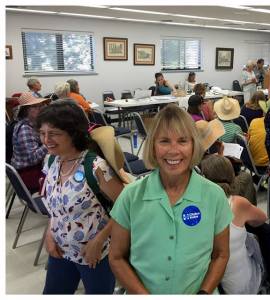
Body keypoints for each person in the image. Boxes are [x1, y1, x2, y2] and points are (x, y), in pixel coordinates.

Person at [109, 104, 233, 294]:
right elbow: (116, 257)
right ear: (152, 146)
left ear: (194, 145)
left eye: (182, 141)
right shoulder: (131, 196)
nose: (173, 151)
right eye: (164, 141)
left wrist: (204, 293)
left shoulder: (214, 196)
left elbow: (221, 255)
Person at [37, 100, 125, 294]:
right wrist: (50, 232)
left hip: (94, 254)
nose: (46, 140)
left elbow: (126, 207)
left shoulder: (95, 167)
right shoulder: (50, 160)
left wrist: (100, 239)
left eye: (53, 134)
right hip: (60, 250)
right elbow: (55, 206)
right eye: (42, 133)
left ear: (73, 133)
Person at [200, 155, 267, 294]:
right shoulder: (237, 203)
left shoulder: (193, 208)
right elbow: (262, 218)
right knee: (261, 234)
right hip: (240, 285)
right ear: (231, 175)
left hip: (208, 283)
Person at [11, 92, 50, 192]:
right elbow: (33, 158)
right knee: (61, 178)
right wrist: (49, 142)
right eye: (37, 107)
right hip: (29, 174)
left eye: (41, 106)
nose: (42, 109)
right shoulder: (24, 129)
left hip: (32, 169)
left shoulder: (31, 124)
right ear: (27, 110)